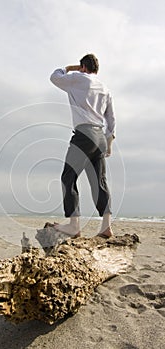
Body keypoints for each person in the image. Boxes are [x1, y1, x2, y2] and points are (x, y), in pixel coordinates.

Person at [50, 53, 116, 238]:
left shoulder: (78, 78)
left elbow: (55, 77)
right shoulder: (105, 88)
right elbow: (111, 120)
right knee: (99, 182)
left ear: (83, 67)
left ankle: (73, 225)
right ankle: (106, 226)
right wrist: (108, 143)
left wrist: (70, 68)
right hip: (100, 137)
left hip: (84, 135)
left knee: (68, 177)